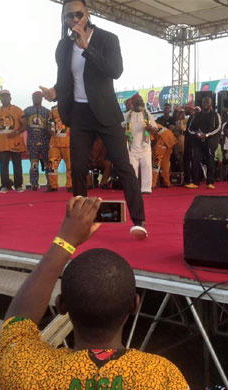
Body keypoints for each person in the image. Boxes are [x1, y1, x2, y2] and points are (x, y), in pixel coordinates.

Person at [0, 196, 197, 390]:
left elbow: (17, 322)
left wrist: (65, 240)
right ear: (135, 305)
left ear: (61, 306)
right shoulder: (163, 379)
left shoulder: (26, 374)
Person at [40, 0, 146, 240]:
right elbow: (66, 79)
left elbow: (115, 71)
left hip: (106, 112)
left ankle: (139, 221)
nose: (74, 19)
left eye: (78, 14)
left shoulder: (108, 39)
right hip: (79, 113)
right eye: (69, 16)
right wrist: (55, 92)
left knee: (123, 166)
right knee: (78, 168)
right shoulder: (63, 46)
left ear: (87, 14)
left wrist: (87, 47)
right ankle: (80, 222)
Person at [0, 90, 26, 193]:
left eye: (6, 96)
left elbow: (25, 124)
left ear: (10, 98)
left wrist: (17, 132)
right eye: (2, 96)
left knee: (17, 165)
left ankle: (18, 185)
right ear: (0, 98)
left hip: (15, 143)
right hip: (2, 143)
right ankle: (5, 186)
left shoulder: (17, 110)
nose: (4, 98)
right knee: (3, 166)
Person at [185, 97, 221, 189]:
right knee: (195, 160)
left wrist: (207, 135)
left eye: (207, 102)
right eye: (204, 102)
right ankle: (195, 182)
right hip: (197, 141)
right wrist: (196, 134)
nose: (205, 103)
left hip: (210, 141)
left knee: (210, 161)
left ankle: (210, 182)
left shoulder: (215, 115)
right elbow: (190, 128)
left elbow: (218, 128)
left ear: (211, 104)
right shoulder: (196, 115)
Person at [124, 94, 157, 194]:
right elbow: (121, 128)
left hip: (145, 146)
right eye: (137, 101)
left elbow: (155, 130)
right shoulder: (127, 115)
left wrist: (150, 128)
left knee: (146, 167)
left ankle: (146, 189)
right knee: (132, 169)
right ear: (133, 103)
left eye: (141, 100)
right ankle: (134, 189)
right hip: (132, 147)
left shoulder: (147, 115)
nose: (140, 102)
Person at [23, 91, 51, 191]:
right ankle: (34, 184)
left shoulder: (47, 112)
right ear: (32, 98)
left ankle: (50, 183)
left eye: (38, 97)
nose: (36, 98)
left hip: (45, 141)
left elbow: (50, 127)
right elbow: (23, 124)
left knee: (47, 164)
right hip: (32, 142)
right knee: (34, 164)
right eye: (34, 97)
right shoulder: (27, 111)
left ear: (42, 98)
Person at [47, 105, 72, 192]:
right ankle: (53, 186)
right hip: (54, 143)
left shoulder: (72, 107)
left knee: (70, 166)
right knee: (52, 165)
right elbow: (49, 123)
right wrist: (50, 130)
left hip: (68, 143)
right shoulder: (53, 109)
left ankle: (70, 185)